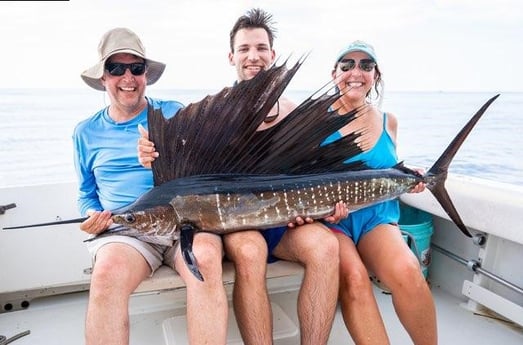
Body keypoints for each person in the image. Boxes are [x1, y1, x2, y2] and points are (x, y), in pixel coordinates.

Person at [139, 9, 343, 345]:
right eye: (245, 48)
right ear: (231, 56)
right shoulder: (210, 118)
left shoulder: (293, 114)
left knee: (325, 246)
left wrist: (326, 207)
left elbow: (316, 175)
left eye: (261, 48)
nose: (254, 56)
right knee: (250, 250)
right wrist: (148, 153)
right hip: (236, 223)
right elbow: (176, 169)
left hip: (284, 222)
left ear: (272, 55)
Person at [75, 27, 228, 345]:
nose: (127, 77)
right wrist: (91, 214)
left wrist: (161, 158)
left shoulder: (171, 113)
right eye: (116, 68)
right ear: (103, 78)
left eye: (136, 68)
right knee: (106, 275)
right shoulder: (85, 132)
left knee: (206, 259)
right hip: (129, 232)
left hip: (186, 223)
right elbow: (86, 192)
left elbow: (205, 167)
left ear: (146, 75)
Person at [322, 40, 437, 345]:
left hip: (376, 216)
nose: (356, 72)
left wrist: (409, 175)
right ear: (334, 73)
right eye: (347, 65)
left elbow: (386, 165)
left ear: (376, 74)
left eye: (365, 65)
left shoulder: (390, 122)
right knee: (356, 279)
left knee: (409, 270)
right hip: (332, 221)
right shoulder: (316, 123)